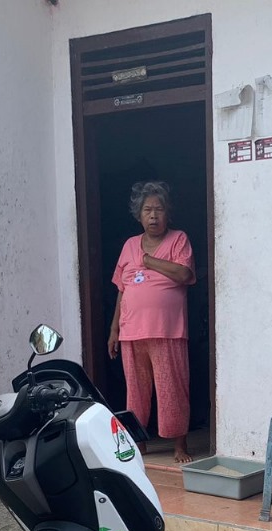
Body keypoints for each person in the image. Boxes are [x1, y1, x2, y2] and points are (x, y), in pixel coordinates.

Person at [108, 181, 197, 463]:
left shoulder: (178, 239)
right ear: (139, 214)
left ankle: (179, 445)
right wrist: (113, 329)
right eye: (147, 210)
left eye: (159, 209)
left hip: (167, 330)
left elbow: (184, 274)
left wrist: (148, 261)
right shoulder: (129, 245)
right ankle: (139, 441)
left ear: (168, 213)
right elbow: (122, 289)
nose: (154, 215)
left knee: (172, 388)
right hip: (131, 331)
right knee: (136, 392)